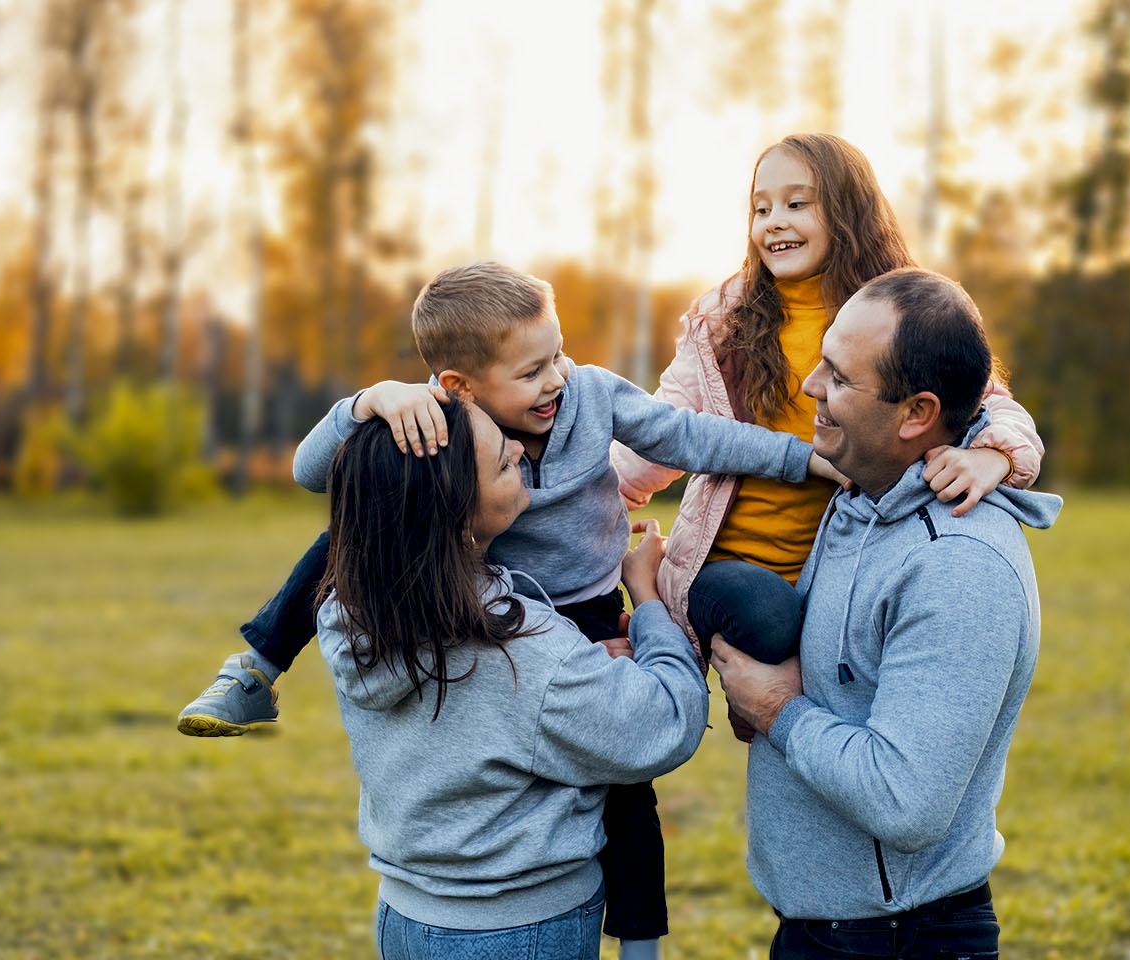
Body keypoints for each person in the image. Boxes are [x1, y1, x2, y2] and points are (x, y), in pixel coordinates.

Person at [182, 261, 842, 956]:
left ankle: (641, 941)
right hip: (482, 607)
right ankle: (255, 668)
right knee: (352, 532)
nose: (555, 377)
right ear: (461, 387)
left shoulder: (587, 395)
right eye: (530, 371)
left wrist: (804, 459)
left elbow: (696, 437)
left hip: (581, 614)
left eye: (556, 353)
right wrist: (370, 401)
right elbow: (320, 473)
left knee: (626, 782)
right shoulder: (438, 422)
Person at [709, 268, 1061, 959]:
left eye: (839, 379)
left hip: (899, 937)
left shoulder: (958, 565)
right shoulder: (861, 496)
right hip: (831, 928)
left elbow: (907, 801)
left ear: (916, 414)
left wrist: (780, 711)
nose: (811, 387)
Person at [610, 133, 1047, 670]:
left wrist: (994, 456)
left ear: (849, 213)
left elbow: (992, 406)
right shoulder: (725, 323)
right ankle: (658, 601)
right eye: (761, 208)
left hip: (834, 566)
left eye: (797, 204)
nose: (774, 221)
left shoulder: (894, 316)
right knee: (768, 617)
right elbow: (662, 428)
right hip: (728, 565)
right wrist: (579, 494)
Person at [316, 394, 706, 960]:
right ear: (456, 516)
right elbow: (666, 722)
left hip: (404, 916)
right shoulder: (522, 651)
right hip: (522, 929)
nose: (521, 450)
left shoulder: (349, 613)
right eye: (502, 461)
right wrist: (646, 599)